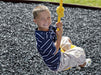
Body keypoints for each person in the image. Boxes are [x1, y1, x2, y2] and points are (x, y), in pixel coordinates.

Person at [33, 5, 92, 72]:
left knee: (66, 39)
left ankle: (71, 57)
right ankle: (83, 64)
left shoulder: (46, 28)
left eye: (48, 17)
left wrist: (59, 28)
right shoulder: (43, 39)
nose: (46, 21)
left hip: (56, 50)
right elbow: (54, 51)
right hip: (57, 63)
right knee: (80, 52)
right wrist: (59, 36)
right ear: (35, 21)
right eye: (42, 18)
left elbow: (56, 33)